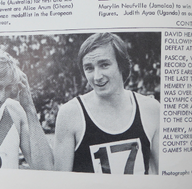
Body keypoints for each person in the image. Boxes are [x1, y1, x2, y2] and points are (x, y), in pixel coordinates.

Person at [54, 33, 159, 175]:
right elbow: (60, 182)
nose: (97, 77)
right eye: (89, 68)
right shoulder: (70, 114)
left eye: (104, 65)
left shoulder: (151, 109)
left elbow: (163, 176)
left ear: (121, 65)